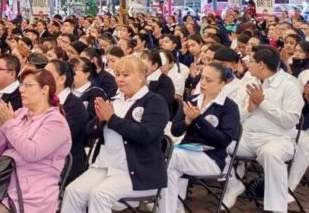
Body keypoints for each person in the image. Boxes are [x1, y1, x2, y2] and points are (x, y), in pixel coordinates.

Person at [62, 57, 170, 213]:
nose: (120, 79)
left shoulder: (154, 102)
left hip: (137, 171)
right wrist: (100, 121)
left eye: (126, 75)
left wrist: (111, 119)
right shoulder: (114, 99)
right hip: (106, 165)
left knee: (99, 195)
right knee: (73, 192)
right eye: (118, 74)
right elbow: (89, 132)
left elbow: (145, 135)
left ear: (140, 76)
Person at [0, 68, 71, 213]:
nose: (21, 90)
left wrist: (10, 125)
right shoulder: (20, 113)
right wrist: (3, 127)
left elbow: (32, 152)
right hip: (3, 184)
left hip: (32, 193)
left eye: (28, 85)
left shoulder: (56, 122)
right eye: (21, 85)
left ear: (45, 89)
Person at [223, 45, 304, 212]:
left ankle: (277, 209)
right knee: (216, 141)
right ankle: (234, 185)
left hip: (277, 139)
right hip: (246, 137)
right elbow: (235, 114)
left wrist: (263, 103)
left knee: (270, 153)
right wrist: (249, 109)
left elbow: (290, 121)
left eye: (250, 61)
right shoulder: (250, 81)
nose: (247, 64)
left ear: (261, 64)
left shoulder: (290, 84)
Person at [159, 62, 240, 213]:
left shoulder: (229, 107)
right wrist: (187, 121)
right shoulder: (192, 99)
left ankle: (165, 205)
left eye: (209, 80)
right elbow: (176, 131)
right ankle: (173, 208)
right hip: (185, 151)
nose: (202, 83)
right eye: (202, 78)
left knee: (170, 157)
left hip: (211, 157)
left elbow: (224, 141)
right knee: (169, 169)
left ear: (222, 84)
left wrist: (198, 120)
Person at [46, 59, 89, 182]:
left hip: (64, 164)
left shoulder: (74, 106)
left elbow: (58, 139)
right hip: (43, 157)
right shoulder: (43, 101)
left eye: (48, 74)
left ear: (61, 79)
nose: (42, 78)